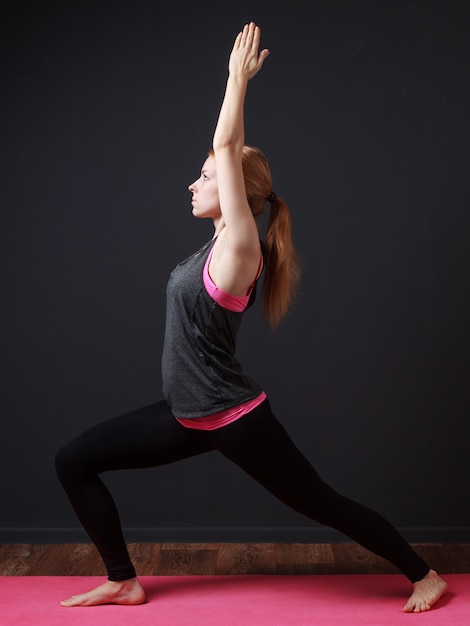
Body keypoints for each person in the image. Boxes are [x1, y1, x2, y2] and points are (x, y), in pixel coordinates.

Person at [55, 22, 447, 612]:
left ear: (237, 189)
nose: (194, 182)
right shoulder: (209, 249)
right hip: (187, 414)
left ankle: (425, 575)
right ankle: (123, 580)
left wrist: (236, 81)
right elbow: (216, 163)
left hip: (235, 417)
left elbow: (223, 149)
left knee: (322, 503)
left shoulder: (243, 247)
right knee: (74, 461)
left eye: (208, 177)